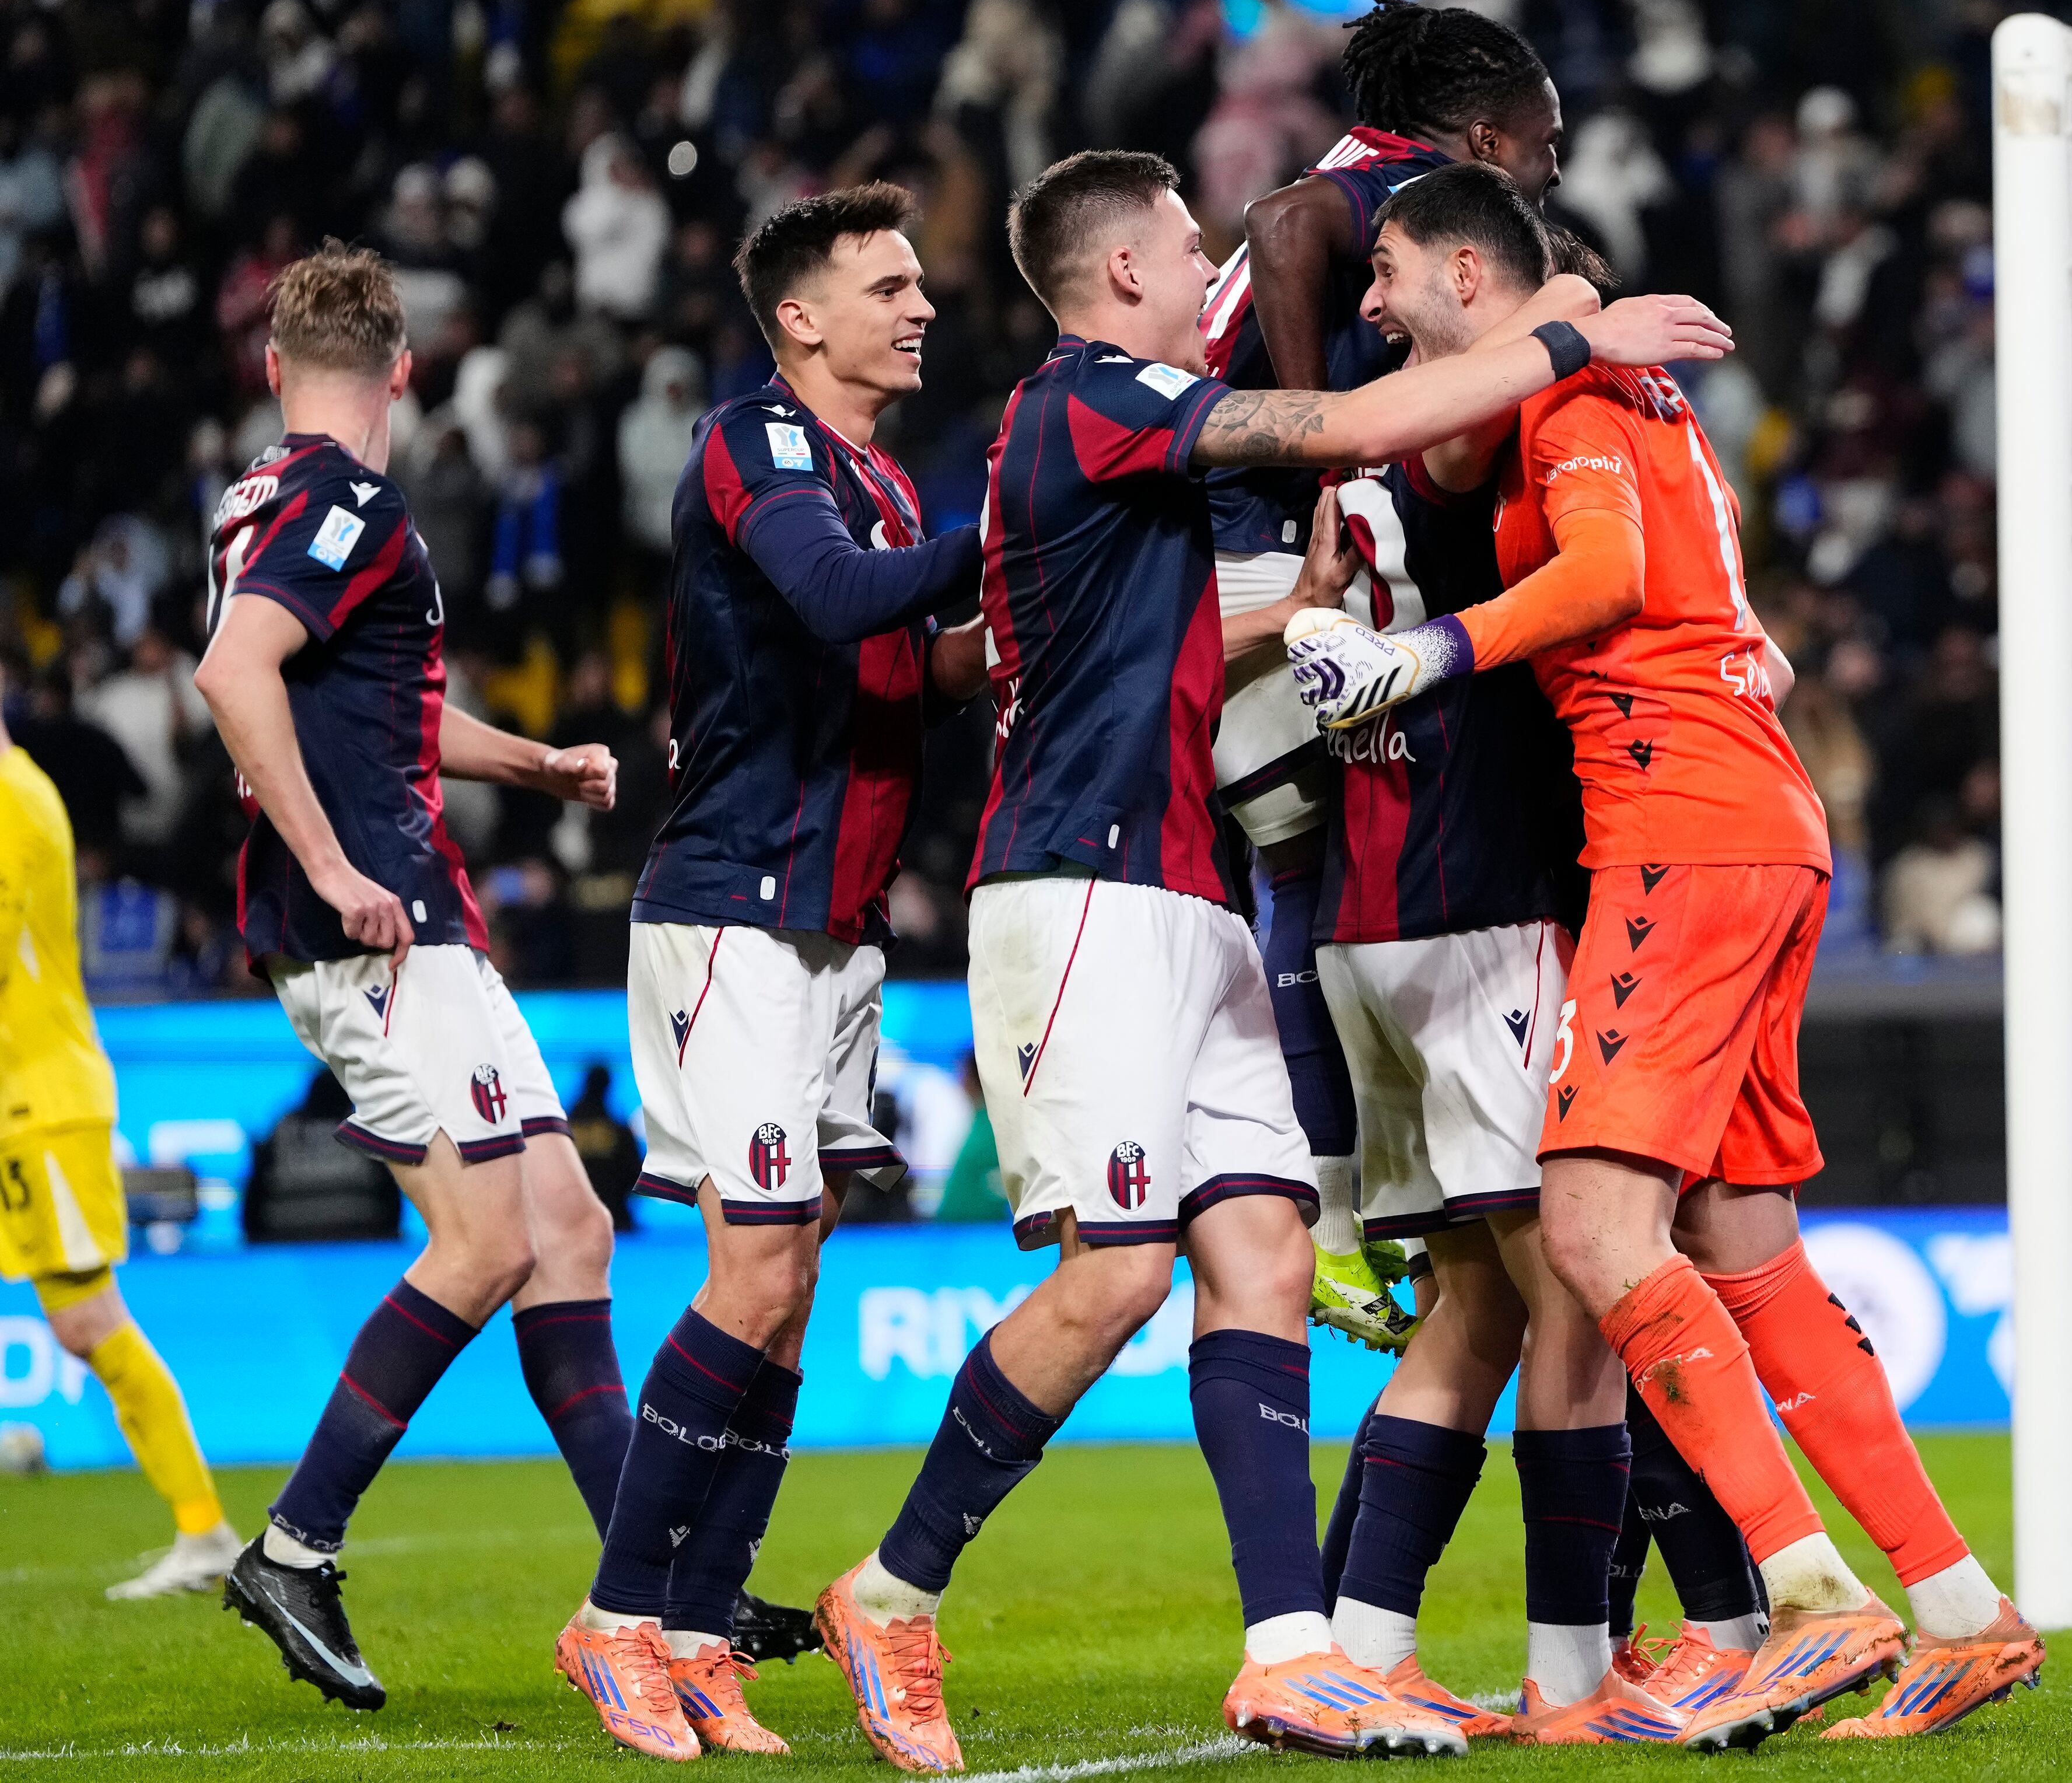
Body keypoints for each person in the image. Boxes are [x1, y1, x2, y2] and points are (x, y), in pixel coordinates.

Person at [806, 148, 1730, 1773]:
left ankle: (1297, 1650)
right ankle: (891, 1585)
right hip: (1080, 890)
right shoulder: (1091, 395)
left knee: (1263, 1255)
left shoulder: (1101, 443)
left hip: (1188, 892)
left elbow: (1120, 640)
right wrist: (1576, 327)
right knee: (1116, 1275)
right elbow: (1355, 422)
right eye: (1187, 247)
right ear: (1124, 276)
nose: (1211, 271)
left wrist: (1293, 614)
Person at [1290, 167, 2044, 1749]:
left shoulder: (1572, 404)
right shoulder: (1622, 389)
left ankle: (1813, 1599)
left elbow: (1607, 575)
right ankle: (1961, 1608)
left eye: (1394, 267)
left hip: (1680, 827)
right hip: (1755, 816)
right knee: (1743, 1241)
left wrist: (1425, 651)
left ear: (1473, 273)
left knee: (1589, 1224)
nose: (1372, 298)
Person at [1305, 172, 1766, 1743]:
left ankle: (1361, 1642)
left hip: (1364, 908)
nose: (1371, 301)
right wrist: (1579, 320)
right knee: (1583, 1293)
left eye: (1385, 270)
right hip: (1479, 898)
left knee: (1473, 1307)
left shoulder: (1356, 439)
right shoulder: (1485, 421)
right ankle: (1590, 1669)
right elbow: (1540, 490)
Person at [554, 181, 988, 1761]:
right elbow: (836, 596)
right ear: (800, 318)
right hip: (731, 902)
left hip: (835, 923)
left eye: (918, 283)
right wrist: (1026, 528)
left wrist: (1032, 621)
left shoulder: (882, 476)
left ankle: (700, 1628)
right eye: (888, 285)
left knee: (792, 1285)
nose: (921, 305)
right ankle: (614, 1615)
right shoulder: (755, 442)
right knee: (748, 1273)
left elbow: (911, 668)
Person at [194, 244, 645, 1710]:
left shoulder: (259, 498)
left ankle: (653, 1585)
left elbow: (372, 703)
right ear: (406, 367)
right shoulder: (349, 501)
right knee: (487, 1239)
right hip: (373, 924)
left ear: (276, 365)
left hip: (413, 918)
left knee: (566, 1227)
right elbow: (236, 673)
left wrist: (534, 763)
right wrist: (333, 867)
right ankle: (295, 1545)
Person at [1195, 0, 1567, 1347]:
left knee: (1319, 858)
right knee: (1311, 868)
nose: (1551, 172)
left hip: (1222, 548)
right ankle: (1337, 1210)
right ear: (1484, 138)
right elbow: (1284, 223)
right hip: (1240, 549)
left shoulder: (1381, 178)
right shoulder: (1388, 188)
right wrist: (1322, 446)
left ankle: (1361, 1198)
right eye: (1543, 145)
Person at [0, 663, 237, 1600]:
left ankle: (205, 1529)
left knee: (88, 1319)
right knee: (80, 1319)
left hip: (42, 1099)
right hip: (21, 1096)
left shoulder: (13, 799)